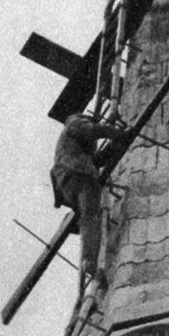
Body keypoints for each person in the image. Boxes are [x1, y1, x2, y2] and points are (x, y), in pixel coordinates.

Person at [50, 113, 128, 285]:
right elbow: (91, 130)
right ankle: (91, 260)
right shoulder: (75, 123)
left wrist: (113, 147)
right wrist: (115, 133)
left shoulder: (75, 146)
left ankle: (89, 259)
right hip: (78, 172)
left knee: (87, 215)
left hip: (68, 182)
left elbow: (96, 160)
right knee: (91, 215)